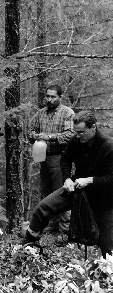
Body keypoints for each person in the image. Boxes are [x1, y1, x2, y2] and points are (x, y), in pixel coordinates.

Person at [24, 110, 113, 257]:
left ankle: (106, 273)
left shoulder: (108, 146)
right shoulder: (76, 141)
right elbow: (65, 159)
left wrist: (90, 180)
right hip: (77, 189)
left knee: (107, 243)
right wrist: (67, 179)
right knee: (43, 208)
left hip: (103, 197)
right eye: (76, 132)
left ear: (93, 128)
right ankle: (28, 245)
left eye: (81, 132)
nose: (77, 136)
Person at [29, 85, 75, 237]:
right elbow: (30, 130)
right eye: (47, 96)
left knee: (62, 193)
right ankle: (52, 225)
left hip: (60, 157)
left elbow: (70, 134)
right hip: (43, 156)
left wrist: (50, 137)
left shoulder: (67, 113)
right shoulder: (40, 113)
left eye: (52, 96)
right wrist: (35, 136)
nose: (49, 99)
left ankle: (65, 230)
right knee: (47, 192)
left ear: (60, 97)